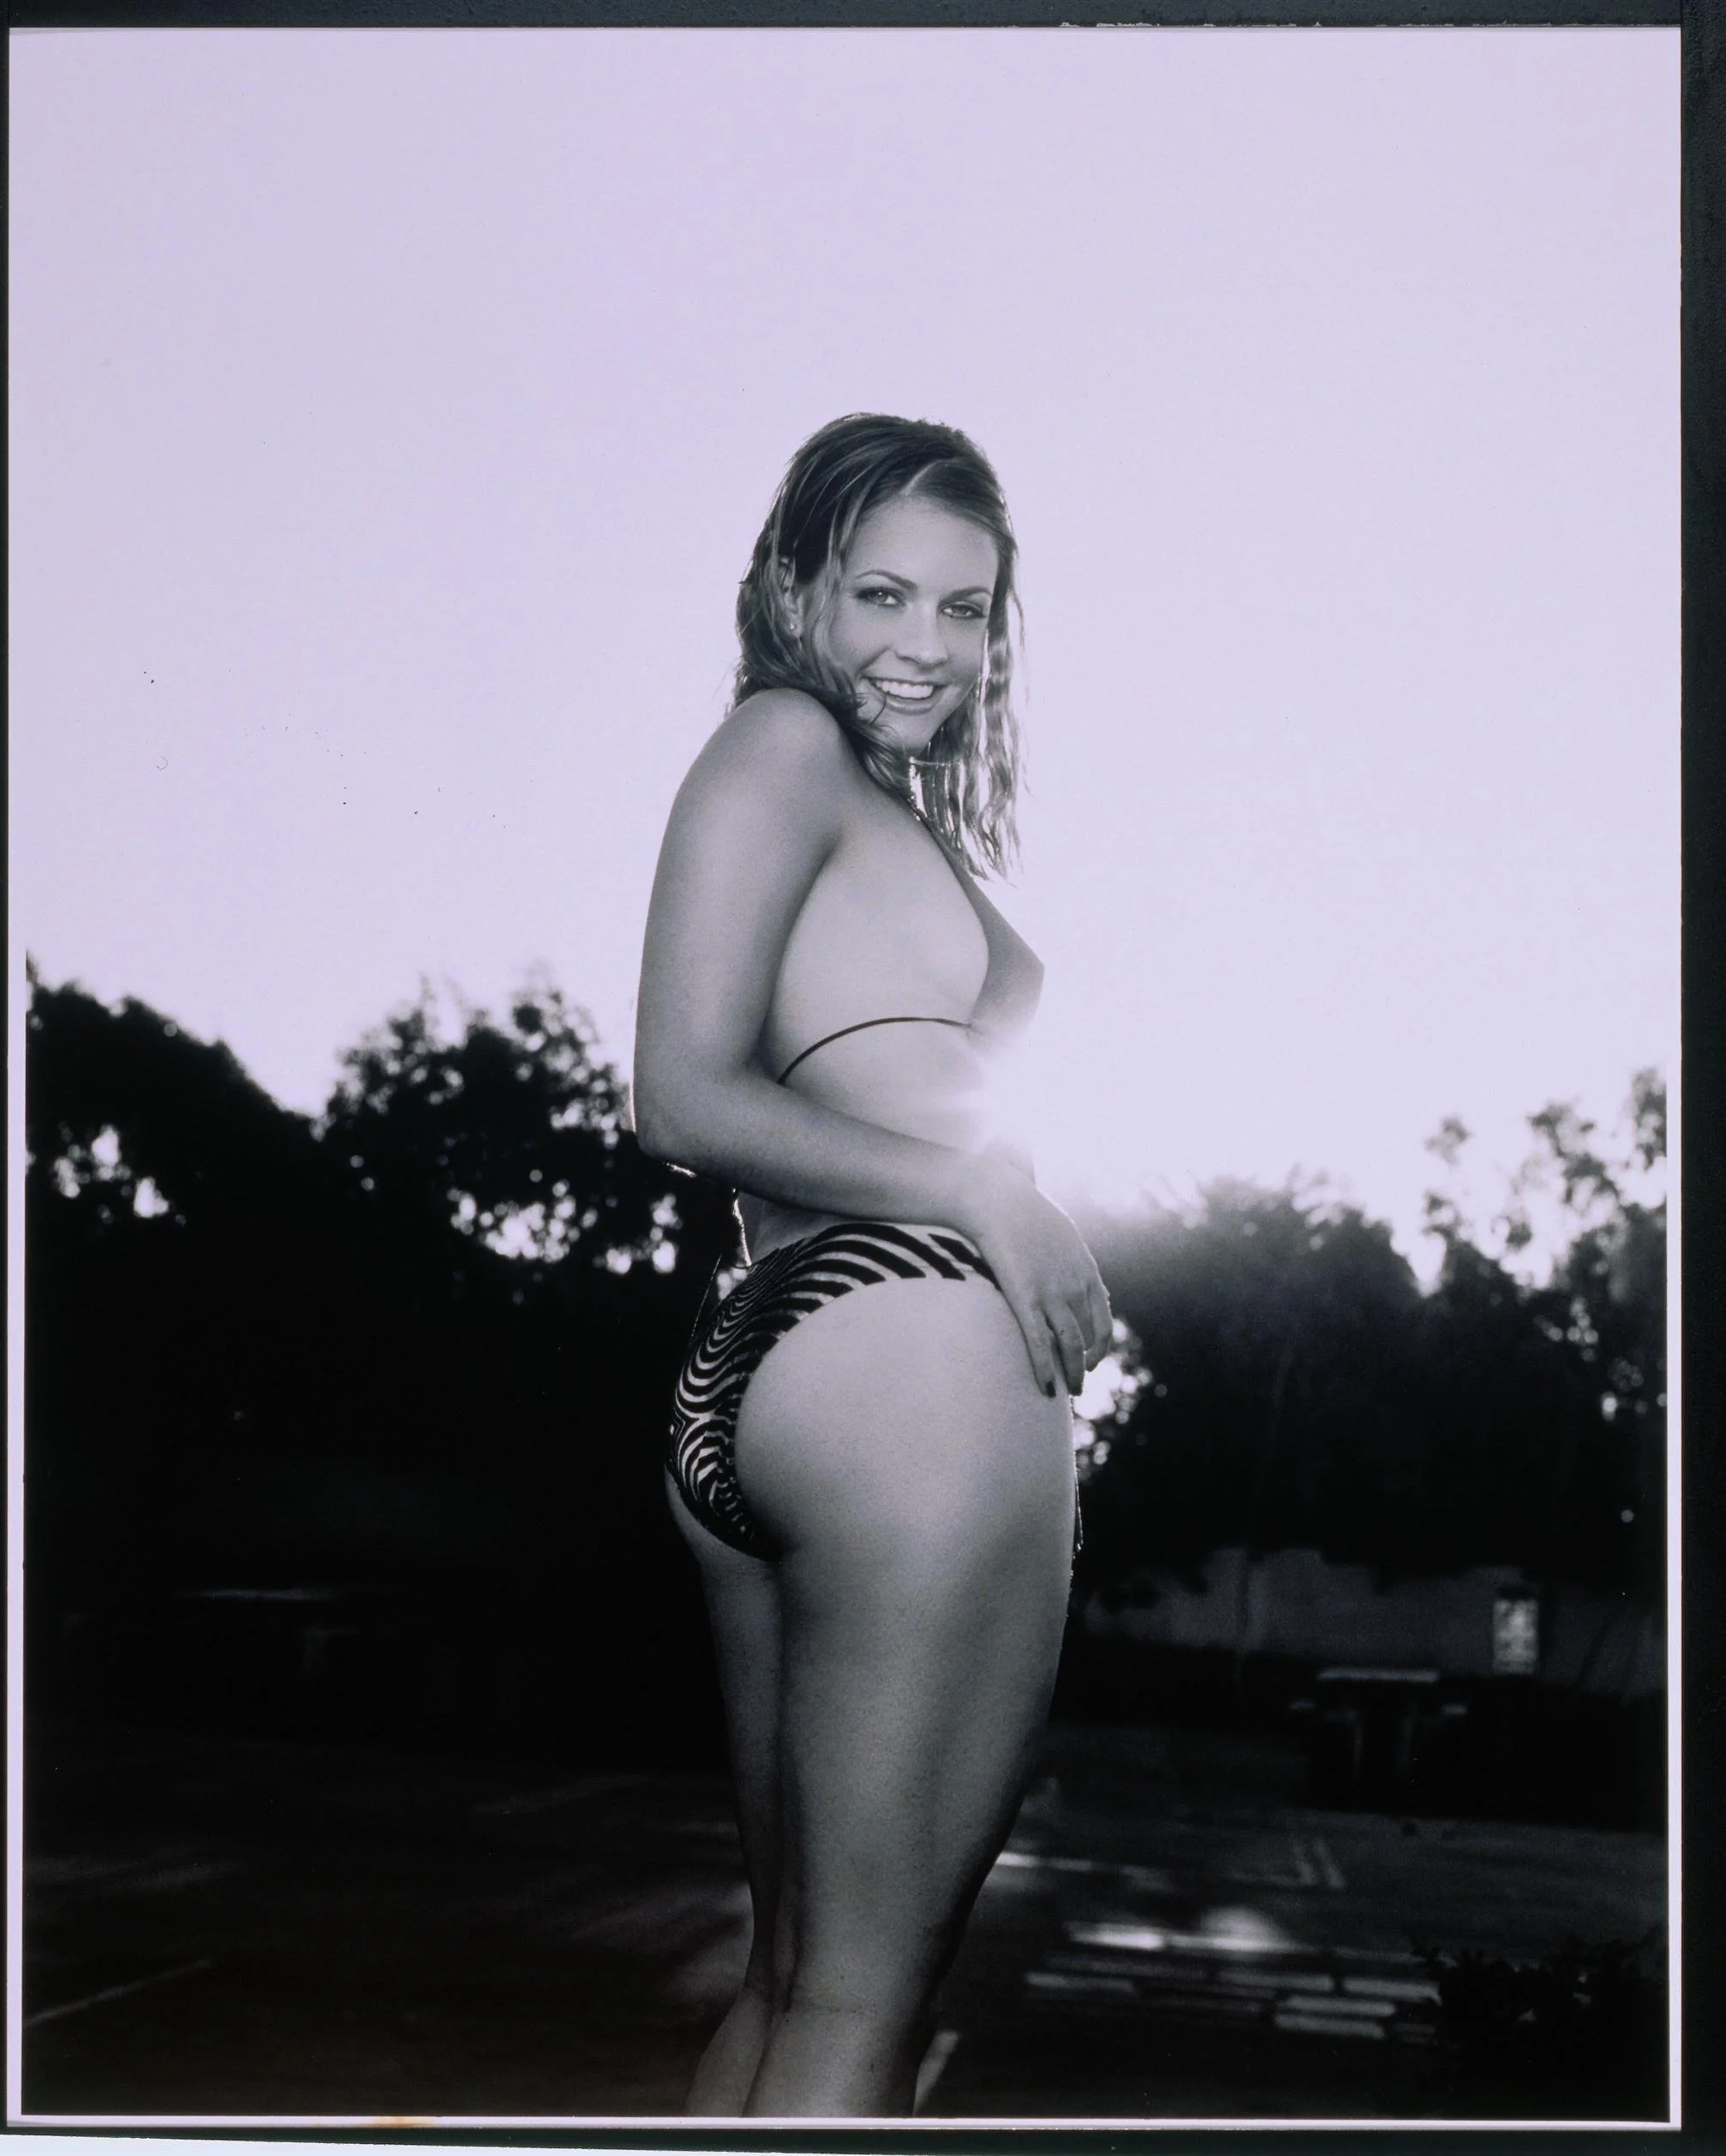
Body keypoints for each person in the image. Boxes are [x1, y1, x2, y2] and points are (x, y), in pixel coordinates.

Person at [633, 413, 1112, 2119]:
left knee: (790, 1979)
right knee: (859, 1999)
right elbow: (678, 1092)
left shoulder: (858, 797)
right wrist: (981, 1193)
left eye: (966, 608)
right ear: (791, 590)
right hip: (903, 1373)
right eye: (882, 593)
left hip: (780, 1364)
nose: (928, 643)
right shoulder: (780, 744)